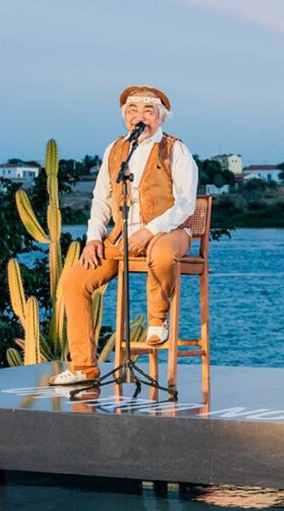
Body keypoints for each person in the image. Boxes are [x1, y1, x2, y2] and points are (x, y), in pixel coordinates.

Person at [49, 85, 198, 385]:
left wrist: (151, 229)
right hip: (122, 236)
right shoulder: (116, 149)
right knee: (74, 281)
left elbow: (186, 204)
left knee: (161, 254)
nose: (139, 116)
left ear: (160, 118)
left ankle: (158, 318)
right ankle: (83, 367)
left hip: (169, 231)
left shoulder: (175, 149)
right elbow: (101, 198)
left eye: (147, 111)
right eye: (132, 110)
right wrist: (93, 238)